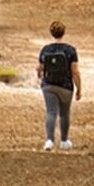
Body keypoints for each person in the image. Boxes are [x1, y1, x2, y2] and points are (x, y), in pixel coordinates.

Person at [36, 20, 82, 150]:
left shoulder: (45, 50)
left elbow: (39, 67)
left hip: (48, 85)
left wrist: (40, 77)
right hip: (65, 85)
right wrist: (79, 88)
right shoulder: (70, 50)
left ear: (51, 33)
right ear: (64, 32)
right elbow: (75, 71)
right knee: (64, 113)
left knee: (51, 112)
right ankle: (64, 141)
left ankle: (49, 140)